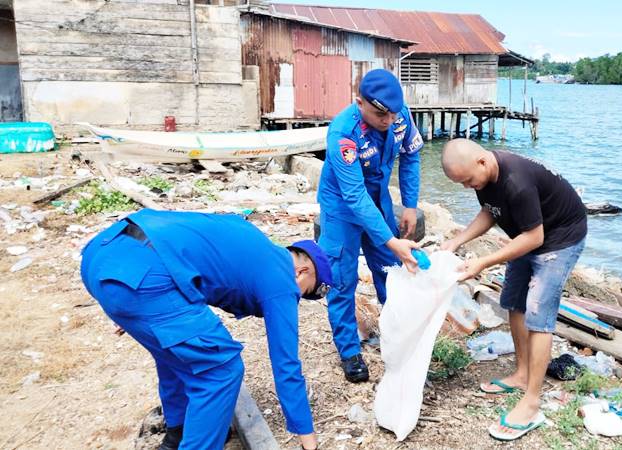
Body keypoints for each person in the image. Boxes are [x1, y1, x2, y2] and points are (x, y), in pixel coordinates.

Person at [80, 209, 332, 450]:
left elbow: (184, 244)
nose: (296, 299)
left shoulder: (249, 237)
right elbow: (286, 365)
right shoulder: (282, 280)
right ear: (302, 272)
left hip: (105, 256)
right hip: (142, 277)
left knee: (176, 351)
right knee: (220, 370)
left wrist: (135, 306)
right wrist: (309, 441)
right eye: (305, 292)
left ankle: (177, 432)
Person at [440, 139, 587, 442]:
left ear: (482, 161)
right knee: (513, 301)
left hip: (559, 238)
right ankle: (522, 375)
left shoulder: (516, 181)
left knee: (538, 312)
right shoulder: (483, 175)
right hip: (529, 234)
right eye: (462, 183)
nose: (468, 187)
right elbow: (490, 211)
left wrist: (483, 261)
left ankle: (532, 401)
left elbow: (535, 238)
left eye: (468, 180)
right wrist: (458, 240)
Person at [317, 68, 422, 383]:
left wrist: (412, 206)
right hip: (341, 210)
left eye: (392, 113)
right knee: (340, 280)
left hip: (379, 201)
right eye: (380, 114)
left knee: (391, 272)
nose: (388, 120)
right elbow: (353, 195)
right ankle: (349, 352)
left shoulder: (399, 115)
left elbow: (411, 156)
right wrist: (391, 240)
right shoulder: (343, 134)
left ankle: (396, 336)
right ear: (359, 102)